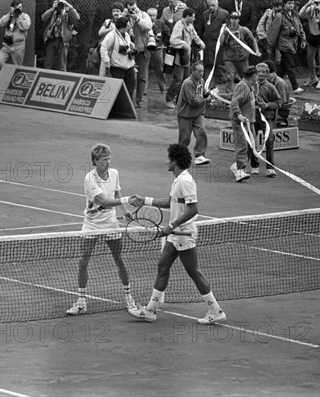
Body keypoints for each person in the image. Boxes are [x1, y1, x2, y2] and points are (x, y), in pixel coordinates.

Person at [127, 144, 226, 324]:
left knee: (194, 272)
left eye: (168, 159)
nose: (166, 161)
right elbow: (171, 202)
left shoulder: (185, 181)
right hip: (175, 235)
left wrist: (171, 225)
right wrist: (145, 200)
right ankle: (150, 310)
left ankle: (215, 310)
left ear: (174, 161)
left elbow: (193, 209)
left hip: (183, 234)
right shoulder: (178, 179)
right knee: (163, 267)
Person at [66, 143, 136, 315]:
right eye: (104, 159)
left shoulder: (114, 173)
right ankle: (81, 301)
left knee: (118, 258)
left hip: (111, 222)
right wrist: (127, 201)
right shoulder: (89, 179)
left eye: (109, 158)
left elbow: (116, 192)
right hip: (91, 224)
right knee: (83, 260)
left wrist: (125, 211)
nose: (108, 162)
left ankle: (129, 298)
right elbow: (104, 201)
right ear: (95, 161)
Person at [165, 8, 205, 109]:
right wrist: (184, 44)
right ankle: (169, 99)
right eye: (193, 16)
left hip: (187, 57)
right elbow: (173, 40)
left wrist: (200, 43)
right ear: (188, 16)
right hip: (180, 56)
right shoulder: (179, 26)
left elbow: (195, 36)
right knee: (178, 79)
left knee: (185, 79)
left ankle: (180, 100)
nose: (194, 18)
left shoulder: (190, 26)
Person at [177, 61, 213, 165]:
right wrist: (206, 100)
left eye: (202, 71)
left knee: (201, 133)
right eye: (199, 71)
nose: (201, 73)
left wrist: (208, 94)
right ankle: (178, 157)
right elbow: (192, 101)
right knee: (184, 138)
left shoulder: (201, 80)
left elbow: (200, 95)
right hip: (185, 114)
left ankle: (200, 155)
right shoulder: (188, 83)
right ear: (193, 71)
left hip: (198, 113)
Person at [268, 0, 306, 95]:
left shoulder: (295, 16)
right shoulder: (280, 16)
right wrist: (270, 46)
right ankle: (295, 86)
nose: (291, 5)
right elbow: (273, 32)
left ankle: (271, 84)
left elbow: (300, 28)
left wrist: (303, 39)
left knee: (282, 69)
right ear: (284, 4)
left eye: (292, 3)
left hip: (293, 44)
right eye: (289, 3)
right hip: (284, 45)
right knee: (290, 66)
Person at [251, 62, 282, 177]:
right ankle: (254, 165)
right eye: (259, 71)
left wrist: (267, 105)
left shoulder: (270, 87)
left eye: (264, 72)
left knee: (269, 140)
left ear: (267, 74)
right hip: (253, 117)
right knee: (252, 141)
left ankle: (270, 167)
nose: (261, 74)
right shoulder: (251, 86)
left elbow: (279, 102)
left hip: (266, 118)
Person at [228, 65, 258, 182]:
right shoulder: (243, 87)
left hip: (249, 121)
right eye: (257, 75)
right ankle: (240, 171)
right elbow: (235, 102)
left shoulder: (249, 87)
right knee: (242, 145)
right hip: (240, 121)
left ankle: (237, 166)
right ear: (253, 76)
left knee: (251, 145)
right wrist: (239, 115)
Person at [220, 12, 260, 92]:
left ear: (238, 20)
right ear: (230, 19)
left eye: (236, 18)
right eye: (232, 18)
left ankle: (248, 93)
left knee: (246, 77)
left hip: (242, 58)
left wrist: (257, 50)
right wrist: (223, 32)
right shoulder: (226, 30)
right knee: (229, 78)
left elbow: (253, 40)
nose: (234, 20)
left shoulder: (244, 30)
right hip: (229, 58)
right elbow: (221, 42)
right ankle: (230, 96)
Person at [124, 1, 153, 108]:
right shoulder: (125, 16)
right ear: (127, 8)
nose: (133, 10)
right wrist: (125, 16)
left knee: (142, 76)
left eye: (134, 8)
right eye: (130, 8)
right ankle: (127, 99)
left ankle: (139, 100)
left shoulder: (143, 15)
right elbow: (120, 28)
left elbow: (148, 26)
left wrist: (137, 18)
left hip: (143, 49)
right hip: (129, 50)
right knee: (129, 76)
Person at [100, 16, 137, 99]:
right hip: (117, 66)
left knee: (131, 85)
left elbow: (126, 42)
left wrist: (131, 44)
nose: (129, 25)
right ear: (124, 26)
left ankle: (128, 106)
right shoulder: (111, 35)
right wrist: (106, 61)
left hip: (129, 65)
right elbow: (103, 48)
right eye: (128, 24)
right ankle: (116, 107)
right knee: (118, 90)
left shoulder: (126, 33)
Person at [196, 0, 230, 89]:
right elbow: (201, 29)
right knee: (207, 66)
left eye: (213, 5)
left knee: (220, 67)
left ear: (217, 4)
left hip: (219, 46)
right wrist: (199, 42)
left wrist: (225, 43)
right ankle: (207, 89)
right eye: (209, 5)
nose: (211, 7)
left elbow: (228, 31)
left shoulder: (224, 13)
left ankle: (223, 90)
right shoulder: (204, 14)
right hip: (207, 45)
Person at [298, 0, 320, 90]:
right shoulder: (310, 8)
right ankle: (313, 77)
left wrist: (319, 12)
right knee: (309, 57)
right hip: (312, 35)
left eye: (317, 2)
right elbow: (300, 14)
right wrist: (308, 4)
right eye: (314, 2)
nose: (316, 4)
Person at [87, 2, 125, 76]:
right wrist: (112, 29)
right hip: (107, 49)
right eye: (114, 11)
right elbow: (100, 32)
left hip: (119, 50)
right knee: (104, 68)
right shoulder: (108, 22)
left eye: (117, 11)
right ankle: (101, 82)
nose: (115, 13)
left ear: (121, 12)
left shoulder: (125, 22)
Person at [0, 0, 32, 73]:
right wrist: (9, 14)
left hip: (18, 46)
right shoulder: (10, 16)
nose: (19, 8)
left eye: (21, 7)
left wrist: (18, 18)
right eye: (17, 7)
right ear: (13, 7)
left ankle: (16, 82)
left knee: (18, 68)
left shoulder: (25, 16)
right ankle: (7, 76)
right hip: (7, 45)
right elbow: (1, 23)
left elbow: (25, 27)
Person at [42, 0, 80, 72]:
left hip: (63, 41)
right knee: (48, 64)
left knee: (62, 65)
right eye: (59, 3)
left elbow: (77, 18)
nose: (60, 6)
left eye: (61, 4)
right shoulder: (53, 11)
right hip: (51, 39)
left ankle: (62, 80)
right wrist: (53, 8)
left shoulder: (68, 12)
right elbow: (43, 18)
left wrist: (70, 7)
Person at [147, 7, 171, 94]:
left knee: (160, 69)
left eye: (153, 15)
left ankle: (163, 88)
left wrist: (163, 43)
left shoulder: (160, 23)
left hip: (158, 49)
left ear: (156, 15)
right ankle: (144, 90)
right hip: (146, 49)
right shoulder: (144, 23)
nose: (151, 17)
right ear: (147, 15)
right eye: (150, 15)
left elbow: (168, 33)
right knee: (145, 70)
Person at [264, 59, 292, 127]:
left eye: (267, 75)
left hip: (280, 111)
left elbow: (281, 103)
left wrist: (267, 104)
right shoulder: (266, 82)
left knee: (260, 116)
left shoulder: (280, 83)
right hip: (270, 107)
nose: (265, 77)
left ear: (272, 72)